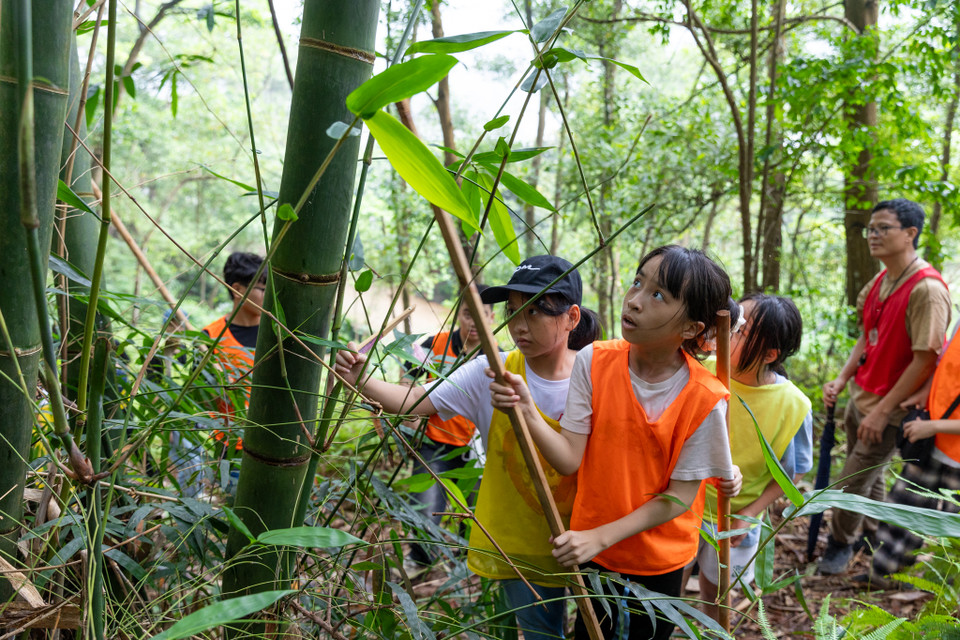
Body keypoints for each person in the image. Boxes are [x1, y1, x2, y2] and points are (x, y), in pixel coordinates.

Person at [335, 255, 601, 640]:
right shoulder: (491, 372)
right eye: (512, 311)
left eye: (534, 311)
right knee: (542, 633)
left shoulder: (598, 372)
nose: (519, 325)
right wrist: (360, 376)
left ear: (571, 317)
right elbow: (415, 401)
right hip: (523, 543)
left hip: (597, 538)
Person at [490, 245, 739, 640]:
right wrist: (525, 409)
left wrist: (599, 536)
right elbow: (569, 458)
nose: (635, 300)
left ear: (692, 328)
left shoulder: (705, 398)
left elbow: (678, 498)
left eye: (658, 295)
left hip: (659, 559)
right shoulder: (594, 361)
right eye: (637, 283)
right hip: (595, 552)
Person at [819, 199, 951, 575]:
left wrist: (881, 411)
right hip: (862, 396)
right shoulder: (879, 281)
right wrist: (842, 378)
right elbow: (867, 335)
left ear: (910, 234)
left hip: (890, 408)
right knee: (867, 473)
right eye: (870, 229)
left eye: (883, 228)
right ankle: (869, 533)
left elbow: (925, 359)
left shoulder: (927, 290)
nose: (873, 235)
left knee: (850, 481)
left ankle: (839, 545)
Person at [695, 294, 813, 620]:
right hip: (682, 505)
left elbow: (793, 474)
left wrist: (748, 514)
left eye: (741, 331)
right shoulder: (700, 370)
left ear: (769, 354)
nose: (729, 332)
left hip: (736, 518)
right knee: (670, 580)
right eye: (734, 322)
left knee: (717, 591)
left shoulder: (793, 405)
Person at [859, 321, 960, 589]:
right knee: (901, 513)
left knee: (955, 539)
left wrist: (934, 426)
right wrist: (924, 396)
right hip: (933, 443)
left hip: (943, 441)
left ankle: (945, 603)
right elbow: (945, 369)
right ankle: (882, 578)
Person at [404, 288, 495, 568]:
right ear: (458, 315)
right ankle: (420, 561)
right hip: (432, 442)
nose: (474, 322)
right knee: (424, 506)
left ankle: (465, 566)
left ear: (492, 318)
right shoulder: (434, 344)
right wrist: (411, 425)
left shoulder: (498, 357)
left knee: (475, 510)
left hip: (475, 448)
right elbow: (407, 380)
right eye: (468, 314)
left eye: (482, 315)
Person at [201, 251, 266, 450]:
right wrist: (220, 387)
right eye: (263, 290)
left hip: (273, 443)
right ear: (237, 289)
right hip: (228, 445)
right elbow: (202, 401)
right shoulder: (210, 337)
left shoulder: (278, 333)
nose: (269, 296)